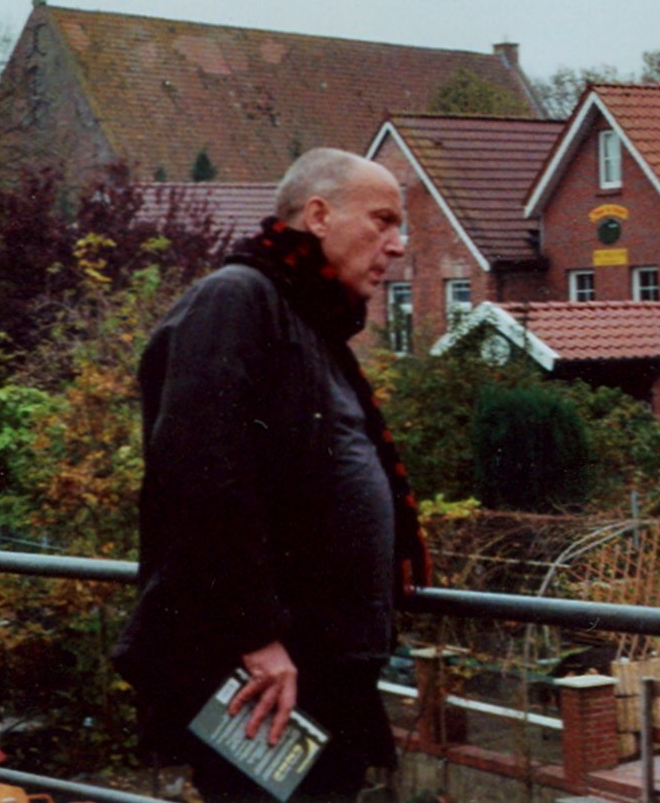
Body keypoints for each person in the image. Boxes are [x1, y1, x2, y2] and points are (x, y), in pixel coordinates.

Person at [113, 148, 430, 803]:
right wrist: (256, 635)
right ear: (318, 215)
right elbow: (198, 474)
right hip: (266, 670)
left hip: (315, 664)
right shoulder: (237, 300)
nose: (396, 247)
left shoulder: (309, 324)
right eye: (383, 221)